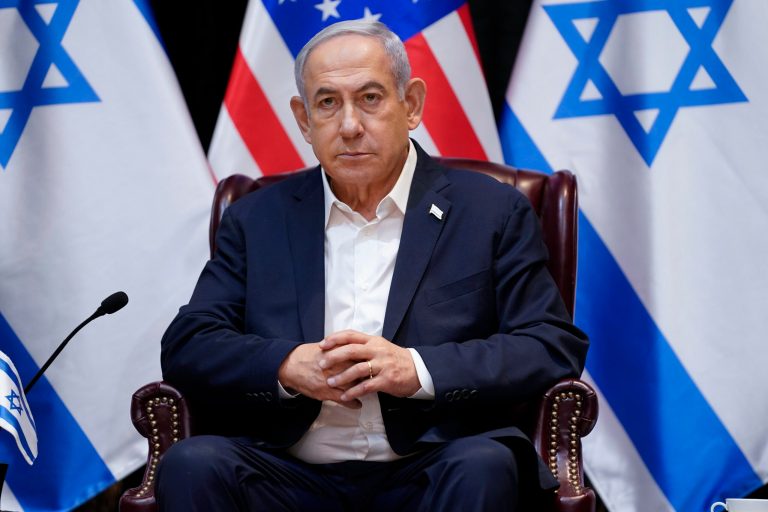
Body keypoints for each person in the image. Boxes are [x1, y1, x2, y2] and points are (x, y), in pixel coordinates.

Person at [156, 20, 588, 512]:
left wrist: (417, 369)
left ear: (412, 105)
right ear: (303, 119)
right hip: (288, 473)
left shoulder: (493, 211)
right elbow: (189, 344)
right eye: (327, 103)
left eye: (370, 98)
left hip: (434, 465)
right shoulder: (256, 218)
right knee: (193, 464)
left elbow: (549, 344)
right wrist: (285, 366)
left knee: (482, 465)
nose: (349, 125)